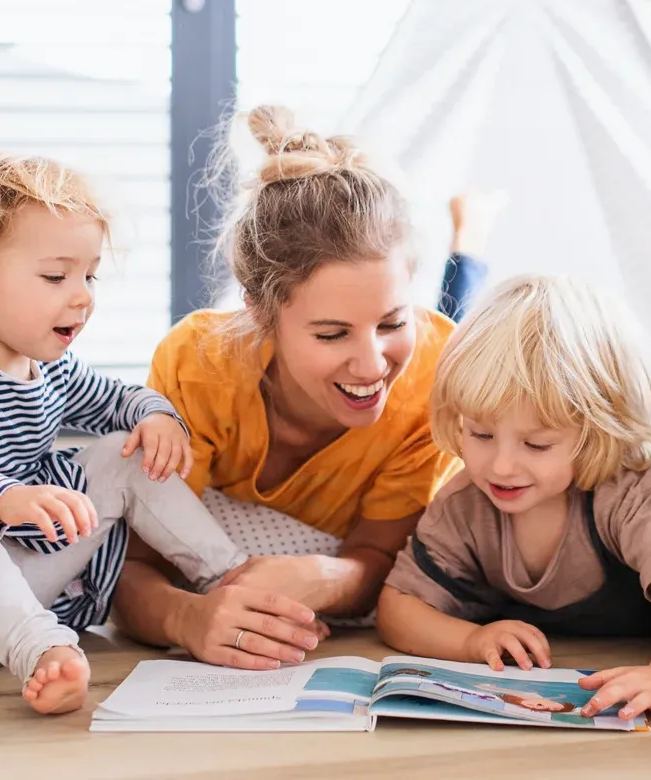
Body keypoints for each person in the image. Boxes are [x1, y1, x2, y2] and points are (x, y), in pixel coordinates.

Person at [0, 152, 253, 715]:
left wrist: (157, 416)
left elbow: (118, 398)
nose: (82, 295)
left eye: (89, 275)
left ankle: (232, 576)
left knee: (122, 451)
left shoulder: (47, 367)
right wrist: (3, 497)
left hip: (14, 571)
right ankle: (42, 649)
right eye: (57, 276)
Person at [112, 106, 482, 670]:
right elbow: (132, 567)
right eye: (332, 334)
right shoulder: (199, 364)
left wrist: (324, 575)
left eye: (392, 323)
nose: (371, 364)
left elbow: (386, 558)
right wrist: (185, 618)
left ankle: (473, 235)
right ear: (261, 311)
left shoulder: (433, 378)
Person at [375, 275, 651, 732]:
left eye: (536, 445)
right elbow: (397, 608)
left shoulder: (622, 494)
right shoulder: (463, 503)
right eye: (480, 434)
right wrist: (472, 640)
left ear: (595, 434)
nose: (501, 466)